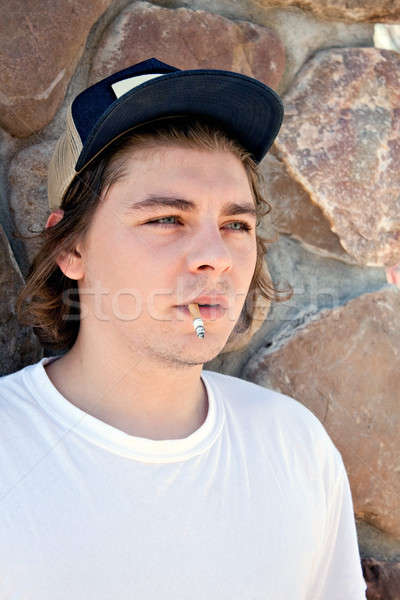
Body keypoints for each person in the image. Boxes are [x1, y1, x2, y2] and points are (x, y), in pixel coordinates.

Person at [1, 58, 367, 599]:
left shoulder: (295, 447)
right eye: (167, 218)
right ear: (72, 248)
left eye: (235, 224)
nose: (215, 257)